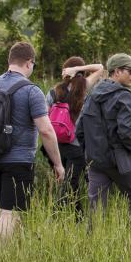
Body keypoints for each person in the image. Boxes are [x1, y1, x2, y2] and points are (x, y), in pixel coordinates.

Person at [0, 42, 65, 242]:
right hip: (18, 160)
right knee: (10, 214)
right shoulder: (31, 91)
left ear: (10, 61)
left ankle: (18, 255)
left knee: (11, 210)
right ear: (29, 63)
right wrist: (58, 164)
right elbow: (46, 130)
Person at [76, 53, 131, 218]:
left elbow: (79, 129)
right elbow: (125, 132)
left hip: (95, 160)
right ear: (117, 72)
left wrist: (88, 154)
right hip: (120, 161)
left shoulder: (92, 94)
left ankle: (93, 240)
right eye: (130, 71)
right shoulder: (124, 96)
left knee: (96, 207)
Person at [47, 57, 105, 219]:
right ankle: (56, 215)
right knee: (71, 183)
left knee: (68, 181)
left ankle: (77, 218)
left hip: (56, 144)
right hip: (77, 145)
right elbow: (100, 68)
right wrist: (81, 68)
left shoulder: (54, 91)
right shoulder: (84, 87)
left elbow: (44, 117)